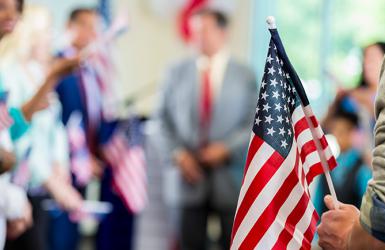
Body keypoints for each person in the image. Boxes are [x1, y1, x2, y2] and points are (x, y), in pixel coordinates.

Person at [157, 8, 257, 250]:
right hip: (186, 180)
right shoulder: (175, 72)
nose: (197, 37)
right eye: (194, 31)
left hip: (230, 178)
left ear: (222, 33)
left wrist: (225, 149)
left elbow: (253, 123)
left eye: (204, 30)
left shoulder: (244, 74)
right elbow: (161, 120)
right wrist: (178, 155)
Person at [0, 6, 83, 250]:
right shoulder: (10, 72)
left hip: (33, 186)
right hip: (21, 182)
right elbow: (18, 136)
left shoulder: (39, 72)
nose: (51, 37)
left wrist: (60, 165)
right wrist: (50, 181)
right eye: (46, 31)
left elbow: (53, 129)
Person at [54, 7, 135, 250]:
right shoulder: (57, 66)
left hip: (88, 165)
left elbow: (93, 115)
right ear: (72, 27)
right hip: (61, 169)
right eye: (89, 27)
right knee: (59, 239)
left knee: (75, 238)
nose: (94, 35)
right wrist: (78, 158)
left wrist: (97, 151)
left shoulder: (90, 69)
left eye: (98, 29)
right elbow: (59, 120)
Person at [317, 34, 385, 249]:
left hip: (373, 173)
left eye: (373, 59)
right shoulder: (351, 97)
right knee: (329, 173)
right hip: (352, 162)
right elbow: (323, 125)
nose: (367, 65)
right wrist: (338, 99)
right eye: (365, 60)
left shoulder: (367, 95)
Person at [314, 108, 371, 215]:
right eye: (336, 131)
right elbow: (317, 205)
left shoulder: (362, 168)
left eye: (342, 131)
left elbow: (368, 208)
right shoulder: (328, 167)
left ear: (352, 133)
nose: (338, 136)